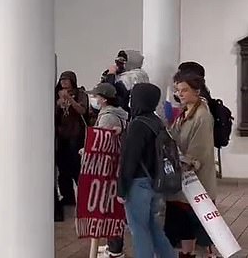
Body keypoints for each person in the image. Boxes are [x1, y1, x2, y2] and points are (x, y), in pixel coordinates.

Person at [117, 83, 175, 258]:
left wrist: (122, 189)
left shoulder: (137, 124)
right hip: (155, 181)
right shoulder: (156, 122)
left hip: (138, 184)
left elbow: (130, 160)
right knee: (152, 226)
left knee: (139, 230)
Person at [165, 73, 217, 258]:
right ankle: (187, 254)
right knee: (184, 224)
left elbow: (198, 151)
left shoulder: (202, 115)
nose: (180, 94)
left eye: (185, 90)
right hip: (184, 180)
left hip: (197, 180)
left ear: (197, 90)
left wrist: (183, 162)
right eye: (178, 90)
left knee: (201, 226)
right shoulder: (185, 111)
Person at [88, 83, 129, 258]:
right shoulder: (117, 113)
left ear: (104, 99)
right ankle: (112, 245)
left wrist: (88, 151)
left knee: (110, 208)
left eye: (97, 96)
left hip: (109, 167)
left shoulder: (107, 117)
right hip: (115, 164)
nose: (95, 99)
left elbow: (102, 143)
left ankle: (114, 249)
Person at [55, 71, 88, 206]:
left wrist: (70, 99)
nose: (63, 82)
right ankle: (67, 196)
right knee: (63, 167)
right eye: (62, 79)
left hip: (76, 135)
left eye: (66, 80)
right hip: (61, 135)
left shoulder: (80, 94)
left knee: (76, 166)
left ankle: (83, 197)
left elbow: (82, 111)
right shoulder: (57, 94)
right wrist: (58, 103)